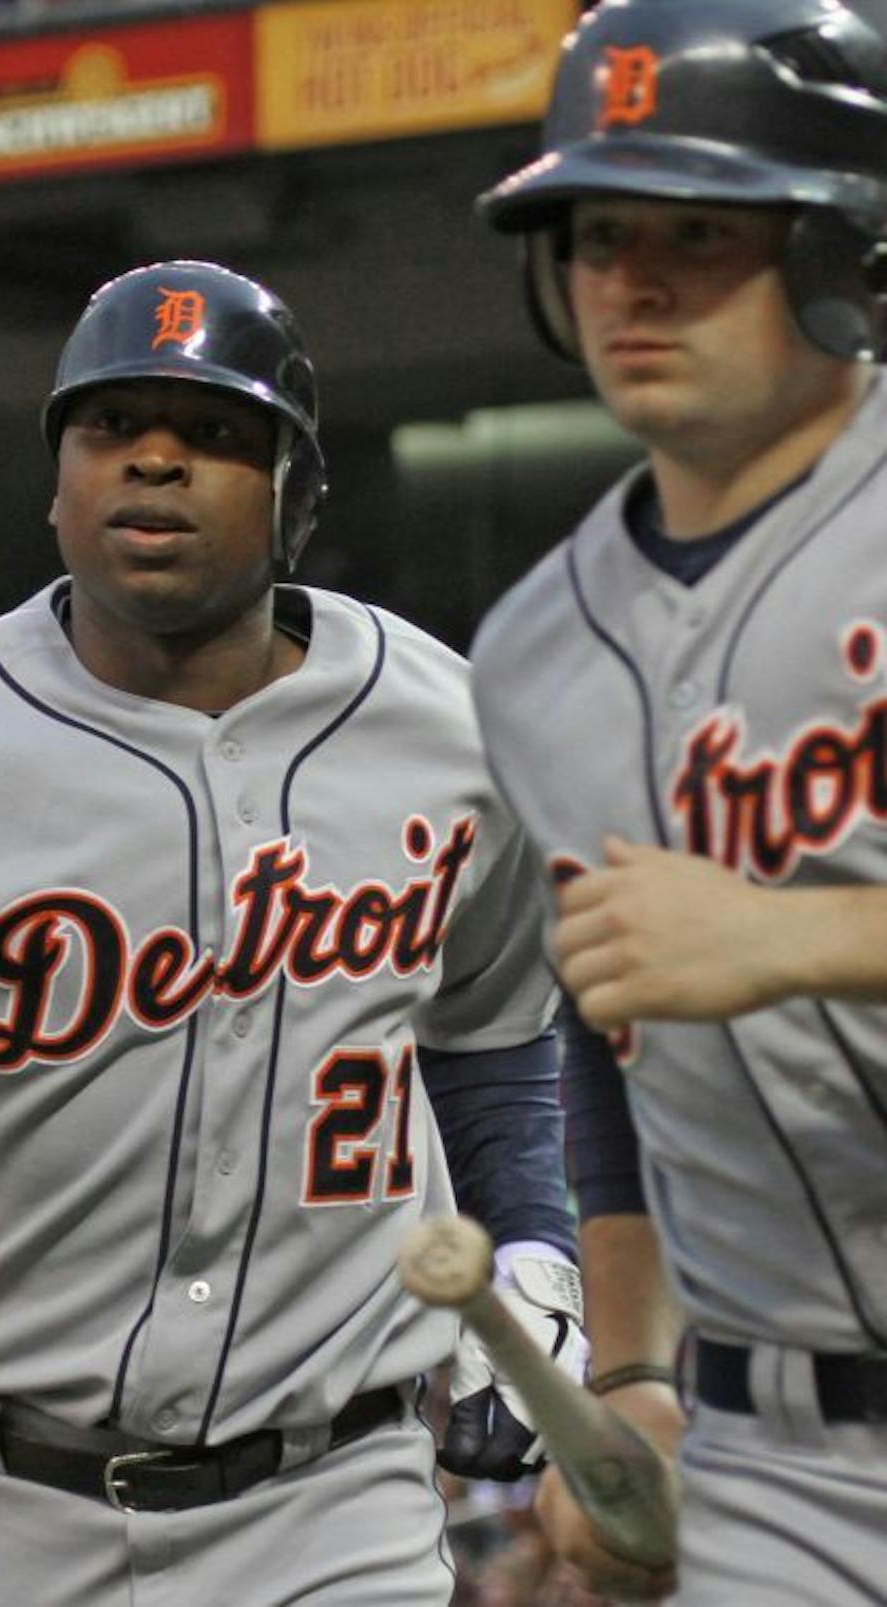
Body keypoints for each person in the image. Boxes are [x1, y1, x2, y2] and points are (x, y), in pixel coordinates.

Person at [0, 260, 581, 1602]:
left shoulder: (448, 727)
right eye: (112, 428)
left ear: (297, 495)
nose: (154, 463)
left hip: (337, 1504)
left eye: (212, 433)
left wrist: (533, 1239)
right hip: (5, 1515)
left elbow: (496, 1029)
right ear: (56, 484)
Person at [469, 1, 887, 1601]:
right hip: (770, 1447)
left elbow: (725, 951)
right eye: (593, 230)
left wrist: (805, 939)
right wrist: (629, 1370)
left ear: (844, 249)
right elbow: (605, 1027)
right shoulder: (526, 658)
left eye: (699, 231)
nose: (630, 281)